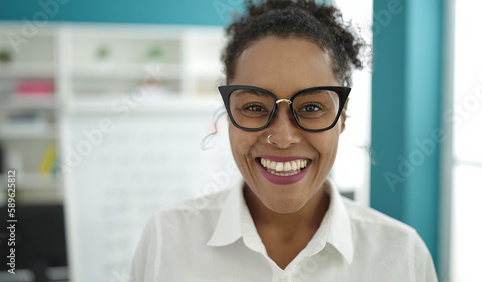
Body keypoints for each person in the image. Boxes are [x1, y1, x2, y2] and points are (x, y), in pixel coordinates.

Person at [131, 0, 438, 281]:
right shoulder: (166, 240)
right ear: (228, 114)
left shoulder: (402, 257)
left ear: (342, 117)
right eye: (253, 107)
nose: (283, 137)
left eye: (312, 107)